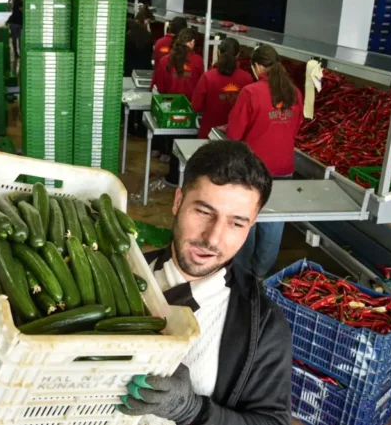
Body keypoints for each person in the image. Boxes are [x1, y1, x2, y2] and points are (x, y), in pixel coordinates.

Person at [117, 140, 292, 425]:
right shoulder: (124, 271)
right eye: (204, 212)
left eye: (236, 223)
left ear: (251, 226)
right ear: (178, 202)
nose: (212, 238)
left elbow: (273, 421)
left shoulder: (263, 324)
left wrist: (192, 411)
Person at [227, 44, 303, 278]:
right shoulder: (294, 93)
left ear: (257, 66)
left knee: (246, 219)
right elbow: (296, 127)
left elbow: (234, 134)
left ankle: (242, 275)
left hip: (253, 168)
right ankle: (261, 275)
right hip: (284, 167)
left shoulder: (251, 92)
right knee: (274, 222)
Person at [150, 28, 204, 182]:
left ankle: (171, 170)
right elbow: (201, 86)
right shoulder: (198, 61)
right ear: (192, 42)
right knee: (185, 144)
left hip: (169, 109)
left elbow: (160, 87)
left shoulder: (165, 60)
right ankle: (182, 178)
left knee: (171, 138)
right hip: (189, 109)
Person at [191, 37, 253, 139]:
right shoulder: (247, 78)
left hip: (209, 134)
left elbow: (196, 106)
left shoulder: (208, 77)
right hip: (235, 138)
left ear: (219, 52)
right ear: (238, 55)